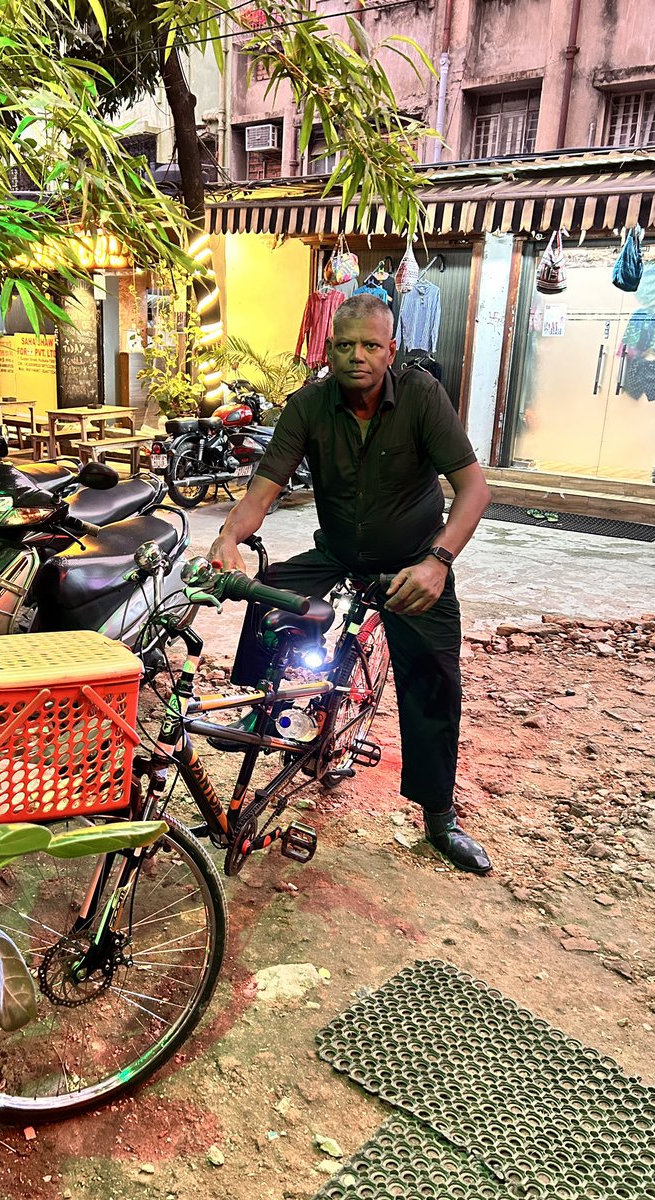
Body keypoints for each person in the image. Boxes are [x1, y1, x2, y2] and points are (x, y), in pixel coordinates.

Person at [208, 294, 493, 874]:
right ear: (328, 349)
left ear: (390, 351)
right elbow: (263, 491)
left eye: (369, 345)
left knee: (433, 677)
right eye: (343, 344)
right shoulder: (309, 405)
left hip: (414, 561)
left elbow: (474, 490)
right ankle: (255, 710)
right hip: (338, 552)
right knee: (264, 592)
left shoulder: (421, 397)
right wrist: (228, 539)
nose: (355, 356)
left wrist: (438, 561)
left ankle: (440, 817)